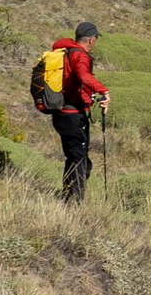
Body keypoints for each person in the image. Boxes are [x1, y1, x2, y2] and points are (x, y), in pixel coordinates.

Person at [45, 21, 109, 203]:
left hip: (62, 113)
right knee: (79, 159)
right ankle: (74, 202)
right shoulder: (79, 56)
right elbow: (83, 75)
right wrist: (104, 91)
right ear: (91, 39)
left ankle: (68, 197)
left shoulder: (65, 52)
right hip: (73, 115)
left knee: (74, 157)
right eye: (95, 39)